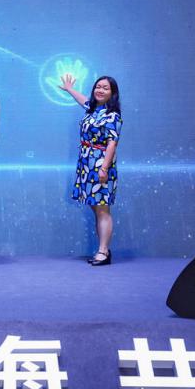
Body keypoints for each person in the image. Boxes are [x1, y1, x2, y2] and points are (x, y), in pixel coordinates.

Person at [58, 73, 123, 266]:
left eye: (105, 88)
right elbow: (82, 100)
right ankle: (102, 250)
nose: (100, 90)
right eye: (98, 87)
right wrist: (70, 89)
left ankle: (103, 251)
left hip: (100, 164)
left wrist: (104, 168)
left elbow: (112, 143)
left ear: (112, 93)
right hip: (86, 164)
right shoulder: (92, 109)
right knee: (97, 209)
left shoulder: (113, 115)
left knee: (103, 209)